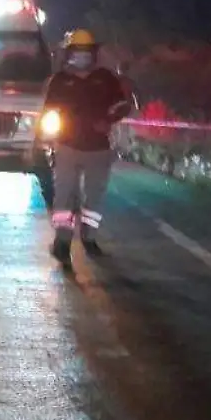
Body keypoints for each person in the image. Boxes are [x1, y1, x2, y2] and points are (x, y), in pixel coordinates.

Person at [41, 28, 134, 266]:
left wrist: (109, 120)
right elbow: (49, 112)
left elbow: (123, 105)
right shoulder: (60, 81)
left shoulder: (106, 78)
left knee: (94, 197)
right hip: (67, 146)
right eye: (77, 51)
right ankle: (62, 243)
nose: (81, 56)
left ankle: (89, 238)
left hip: (98, 149)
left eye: (86, 52)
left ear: (93, 53)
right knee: (64, 196)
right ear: (69, 53)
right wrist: (49, 137)